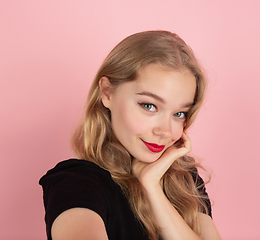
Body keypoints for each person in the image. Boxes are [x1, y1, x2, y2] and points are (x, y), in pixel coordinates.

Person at [39, 30, 221, 240]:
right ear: (107, 93)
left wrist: (152, 187)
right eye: (149, 106)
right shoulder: (78, 185)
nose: (166, 131)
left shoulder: (185, 179)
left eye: (179, 114)